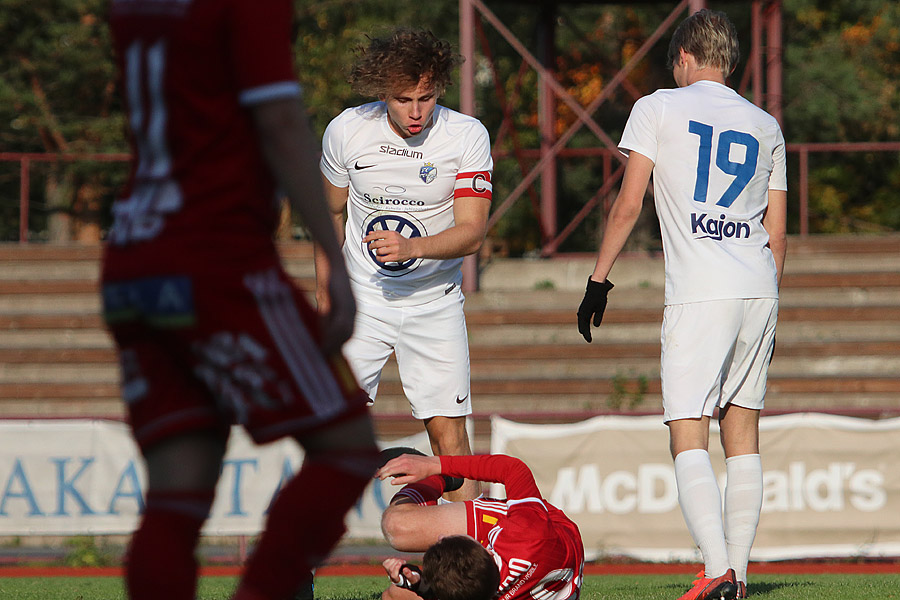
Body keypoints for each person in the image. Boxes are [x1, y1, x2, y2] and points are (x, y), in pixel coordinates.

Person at [103, 1, 379, 599]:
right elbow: (278, 120)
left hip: (133, 254)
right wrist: (333, 258)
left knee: (179, 489)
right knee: (348, 450)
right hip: (214, 256)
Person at [576, 9, 786, 600]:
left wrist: (598, 280)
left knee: (686, 430)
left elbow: (628, 202)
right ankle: (738, 576)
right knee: (742, 432)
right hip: (758, 284)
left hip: (701, 290)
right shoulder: (765, 123)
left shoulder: (658, 106)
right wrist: (768, 307)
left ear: (686, 57)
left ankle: (716, 570)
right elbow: (779, 233)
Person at [316, 29, 493, 501]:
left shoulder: (466, 136)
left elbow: (473, 231)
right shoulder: (347, 130)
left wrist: (414, 247)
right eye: (403, 99)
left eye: (426, 98)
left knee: (451, 442)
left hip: (433, 305)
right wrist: (327, 296)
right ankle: (300, 571)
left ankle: (472, 566)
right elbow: (330, 212)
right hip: (363, 300)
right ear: (382, 93)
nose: (416, 112)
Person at [375, 449, 585, 600]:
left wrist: (415, 582)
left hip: (535, 561)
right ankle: (439, 477)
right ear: (482, 545)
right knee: (398, 526)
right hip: (543, 537)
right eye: (449, 539)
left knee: (395, 594)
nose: (440, 537)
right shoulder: (525, 530)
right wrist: (434, 464)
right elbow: (513, 469)